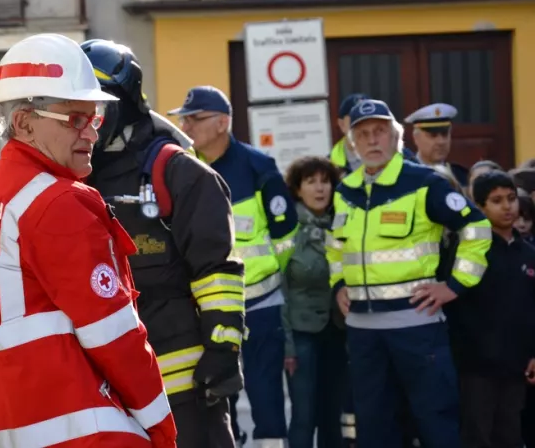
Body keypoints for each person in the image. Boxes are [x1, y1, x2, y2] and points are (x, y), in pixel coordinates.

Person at [0, 33, 177, 447]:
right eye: (75, 119)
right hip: (91, 434)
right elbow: (117, 338)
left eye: (96, 119)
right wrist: (163, 432)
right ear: (23, 123)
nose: (91, 134)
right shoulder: (57, 201)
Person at [82, 40, 244, 448]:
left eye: (97, 110)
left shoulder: (177, 173)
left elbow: (217, 270)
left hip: (182, 385)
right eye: (77, 110)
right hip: (103, 387)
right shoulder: (73, 180)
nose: (86, 123)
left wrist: (223, 350)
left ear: (125, 104)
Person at [325, 99, 492, 448]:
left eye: (380, 132)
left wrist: (456, 285)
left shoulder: (425, 183)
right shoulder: (345, 191)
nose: (372, 141)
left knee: (435, 422)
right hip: (363, 333)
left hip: (417, 328)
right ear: (351, 143)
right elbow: (335, 245)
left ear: (397, 138)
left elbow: (476, 228)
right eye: (363, 134)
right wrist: (339, 282)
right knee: (375, 427)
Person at [168, 85, 298, 448]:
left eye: (195, 118)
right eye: (184, 119)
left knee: (266, 395)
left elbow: (287, 238)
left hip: (259, 306)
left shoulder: (258, 167)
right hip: (205, 310)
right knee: (213, 398)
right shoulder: (183, 168)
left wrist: (265, 283)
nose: (186, 125)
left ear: (223, 122)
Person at [446, 171, 535, 448]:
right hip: (476, 367)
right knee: (477, 435)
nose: (508, 207)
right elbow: (455, 306)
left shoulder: (528, 253)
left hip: (516, 365)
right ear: (480, 207)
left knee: (510, 433)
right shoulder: (470, 252)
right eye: (496, 201)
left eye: (511, 199)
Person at [281, 156, 347, 448]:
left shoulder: (343, 224)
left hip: (337, 333)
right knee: (304, 416)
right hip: (301, 334)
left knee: (333, 415)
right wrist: (288, 347)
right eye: (311, 182)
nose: (320, 189)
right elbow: (279, 292)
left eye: (325, 181)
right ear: (297, 189)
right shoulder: (287, 229)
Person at [404, 103, 469, 189]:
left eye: (444, 134)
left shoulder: (461, 176)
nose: (441, 142)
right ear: (416, 138)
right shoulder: (405, 176)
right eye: (433, 135)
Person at [330, 94, 368, 175]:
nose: (362, 126)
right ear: (342, 124)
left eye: (367, 120)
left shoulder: (392, 158)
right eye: (355, 119)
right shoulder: (329, 165)